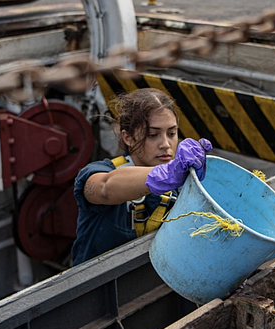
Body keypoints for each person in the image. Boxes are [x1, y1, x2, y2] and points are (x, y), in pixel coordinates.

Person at [72, 88, 212, 265]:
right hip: (98, 289)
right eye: (153, 135)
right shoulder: (97, 172)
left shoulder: (181, 183)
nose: (165, 144)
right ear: (128, 137)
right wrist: (166, 174)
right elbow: (105, 187)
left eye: (171, 133)